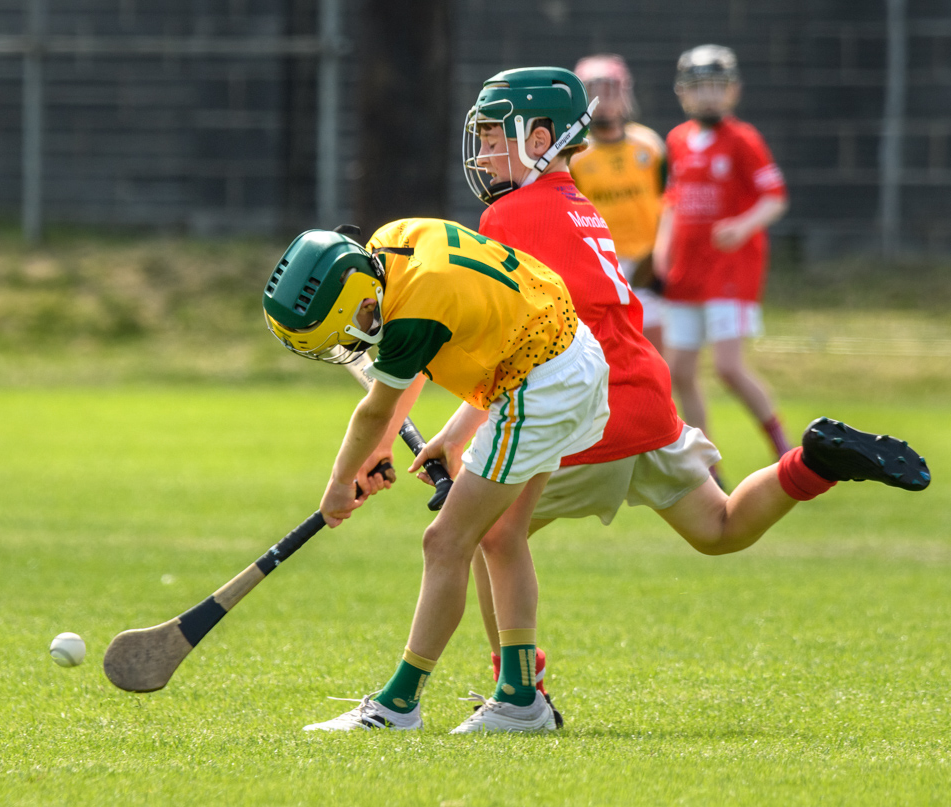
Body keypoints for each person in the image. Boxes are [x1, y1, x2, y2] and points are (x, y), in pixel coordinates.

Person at [454, 65, 931, 726]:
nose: (482, 153)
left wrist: (459, 438)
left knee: (486, 528)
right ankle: (813, 461)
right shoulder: (578, 203)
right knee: (720, 526)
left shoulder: (506, 214)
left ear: (540, 137)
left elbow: (520, 345)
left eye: (494, 137)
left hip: (589, 411)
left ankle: (517, 690)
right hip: (646, 395)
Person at [263, 217, 611, 733]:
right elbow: (439, 348)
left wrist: (338, 486)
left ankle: (398, 706)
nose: (343, 343)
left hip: (539, 387)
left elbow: (375, 408)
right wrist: (443, 438)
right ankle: (520, 699)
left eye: (338, 330)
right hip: (557, 359)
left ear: (354, 299)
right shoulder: (390, 246)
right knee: (500, 534)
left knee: (445, 541)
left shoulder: (411, 316)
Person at [653, 44, 791, 475]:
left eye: (717, 87)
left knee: (729, 367)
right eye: (699, 89)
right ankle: (706, 466)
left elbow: (774, 197)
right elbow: (673, 202)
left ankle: (785, 450)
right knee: (680, 371)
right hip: (686, 273)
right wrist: (661, 250)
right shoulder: (676, 139)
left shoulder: (743, 139)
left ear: (733, 92)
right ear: (682, 93)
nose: (708, 96)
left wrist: (742, 226)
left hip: (731, 272)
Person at [570, 54, 667, 352]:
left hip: (647, 264)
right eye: (595, 92)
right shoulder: (573, 153)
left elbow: (670, 204)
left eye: (611, 91)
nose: (604, 101)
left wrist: (662, 258)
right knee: (605, 354)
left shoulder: (650, 145)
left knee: (655, 357)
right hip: (601, 264)